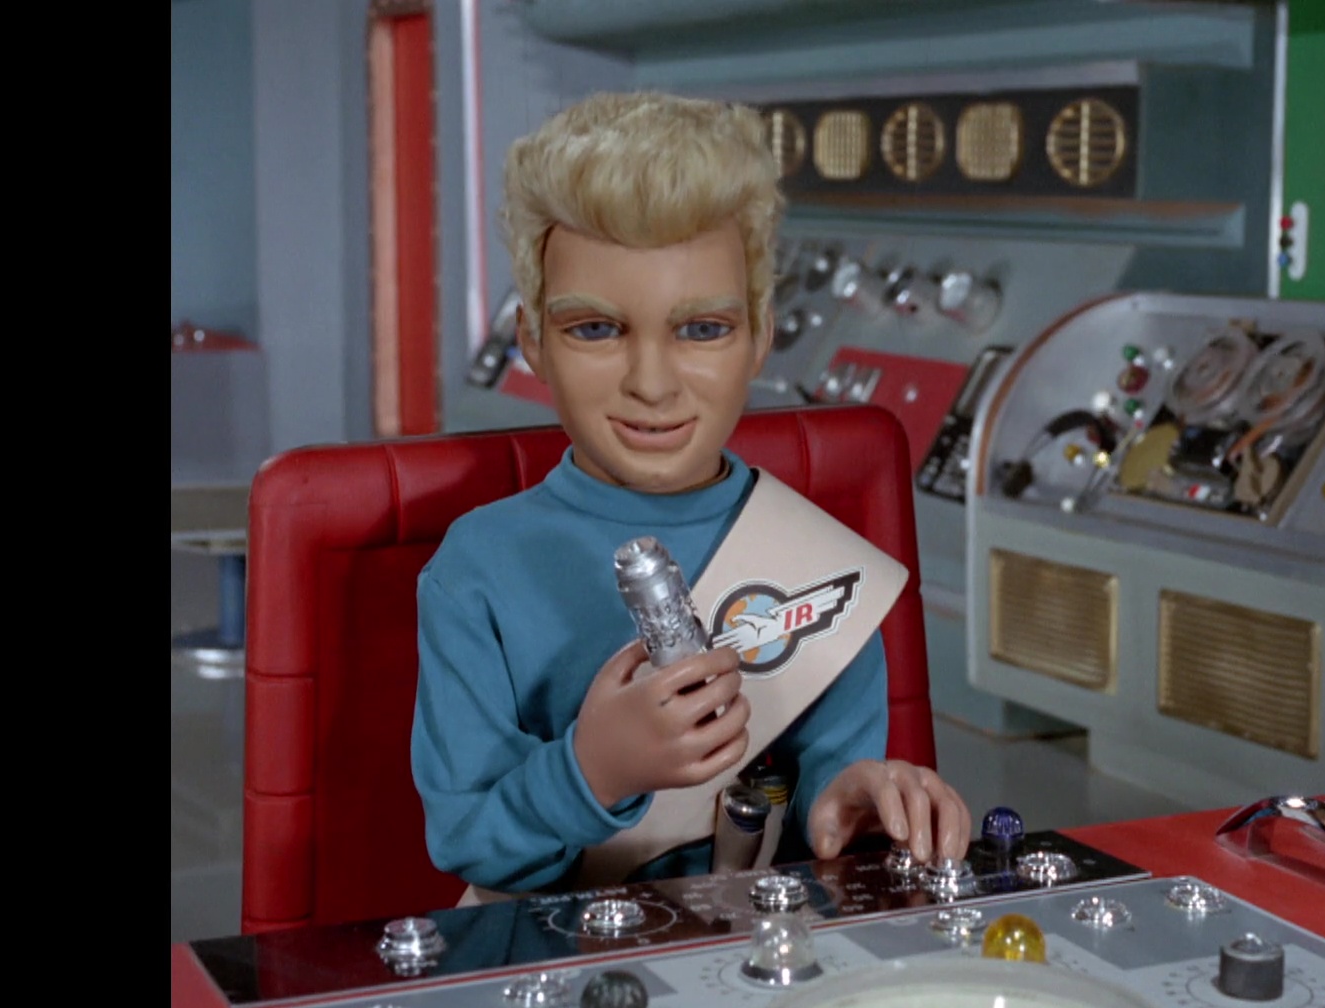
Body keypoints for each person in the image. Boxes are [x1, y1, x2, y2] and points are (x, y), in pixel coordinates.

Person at [409, 90, 971, 901]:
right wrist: (592, 770)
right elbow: (470, 842)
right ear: (532, 341)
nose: (652, 383)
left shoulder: (822, 563)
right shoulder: (477, 567)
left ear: (761, 335)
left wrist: (855, 803)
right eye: (595, 329)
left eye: (702, 329)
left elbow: (824, 802)